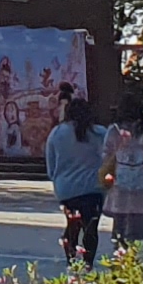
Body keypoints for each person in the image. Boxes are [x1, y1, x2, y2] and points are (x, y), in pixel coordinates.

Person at [43, 91, 109, 265]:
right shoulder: (99, 133)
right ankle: (88, 264)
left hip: (66, 189)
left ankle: (71, 261)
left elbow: (51, 165)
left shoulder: (57, 133)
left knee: (72, 224)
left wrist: (56, 179)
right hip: (93, 188)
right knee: (90, 227)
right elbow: (109, 157)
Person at [103, 105, 143, 250]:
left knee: (122, 231)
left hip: (122, 187)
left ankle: (123, 258)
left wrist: (109, 173)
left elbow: (106, 154)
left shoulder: (114, 131)